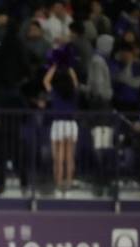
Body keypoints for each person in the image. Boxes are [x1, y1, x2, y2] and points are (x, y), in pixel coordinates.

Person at [43, 61, 79, 197]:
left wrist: (54, 66)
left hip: (58, 124)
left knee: (58, 157)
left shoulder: (55, 92)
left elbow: (46, 81)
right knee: (69, 157)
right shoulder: (73, 92)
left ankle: (58, 185)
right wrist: (69, 66)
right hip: (70, 125)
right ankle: (68, 184)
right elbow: (75, 81)